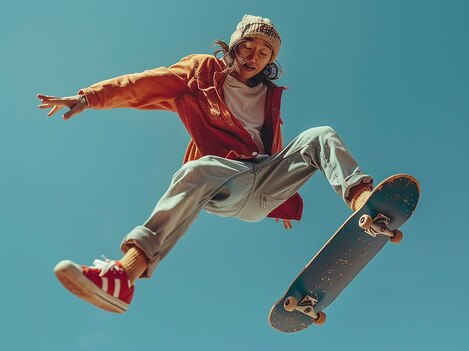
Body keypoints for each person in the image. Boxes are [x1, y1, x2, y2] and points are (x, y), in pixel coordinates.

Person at [38, 14, 373, 314]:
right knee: (198, 168)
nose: (252, 58)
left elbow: (275, 148)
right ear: (233, 45)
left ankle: (365, 203)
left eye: (263, 53)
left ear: (271, 60)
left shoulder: (270, 96)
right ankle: (126, 274)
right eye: (247, 47)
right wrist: (89, 97)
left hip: (264, 184)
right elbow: (143, 84)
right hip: (225, 181)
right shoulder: (201, 73)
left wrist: (281, 199)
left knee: (320, 134)